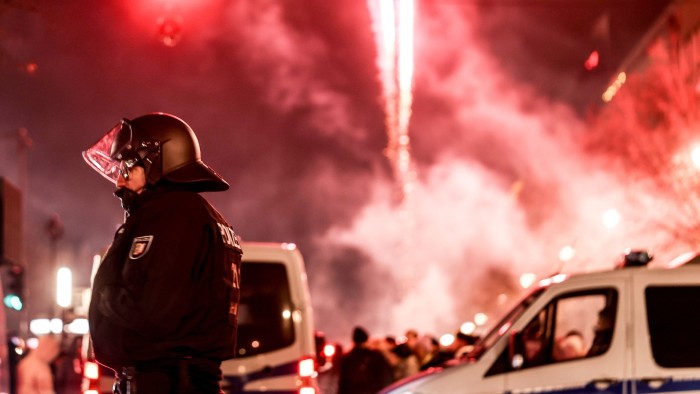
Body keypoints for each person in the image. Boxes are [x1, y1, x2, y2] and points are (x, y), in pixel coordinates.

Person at [83, 113, 242, 393]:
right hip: (180, 379)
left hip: (166, 382)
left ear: (157, 160)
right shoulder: (199, 215)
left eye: (127, 169)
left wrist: (106, 292)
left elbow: (151, 313)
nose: (119, 183)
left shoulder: (172, 215)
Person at [337, 326, 393, 394]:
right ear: (366, 340)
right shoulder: (376, 356)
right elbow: (386, 377)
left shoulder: (346, 358)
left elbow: (341, 382)